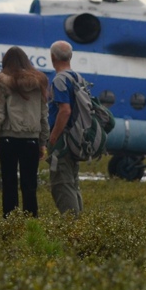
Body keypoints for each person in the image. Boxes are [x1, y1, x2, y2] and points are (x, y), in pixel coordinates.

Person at [0, 47, 50, 218]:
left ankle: (10, 223)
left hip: (8, 139)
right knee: (30, 185)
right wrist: (42, 142)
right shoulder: (40, 81)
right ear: (26, 61)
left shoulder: (2, 80)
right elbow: (44, 115)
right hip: (31, 140)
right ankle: (31, 222)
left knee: (9, 183)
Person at [46, 40, 83, 215]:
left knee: (61, 184)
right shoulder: (78, 77)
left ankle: (71, 227)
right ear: (71, 56)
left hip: (63, 140)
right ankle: (79, 224)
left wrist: (53, 137)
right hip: (77, 138)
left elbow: (65, 111)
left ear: (53, 57)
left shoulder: (60, 80)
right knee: (72, 183)